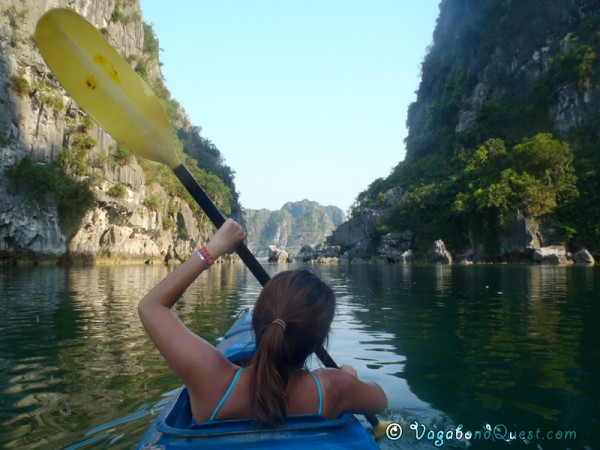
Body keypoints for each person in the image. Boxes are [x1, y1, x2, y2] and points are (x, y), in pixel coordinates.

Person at [138, 218, 387, 425]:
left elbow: (151, 307)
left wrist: (214, 247)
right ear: (321, 338)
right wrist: (349, 377)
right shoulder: (334, 387)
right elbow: (380, 400)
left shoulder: (210, 378)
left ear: (257, 320)